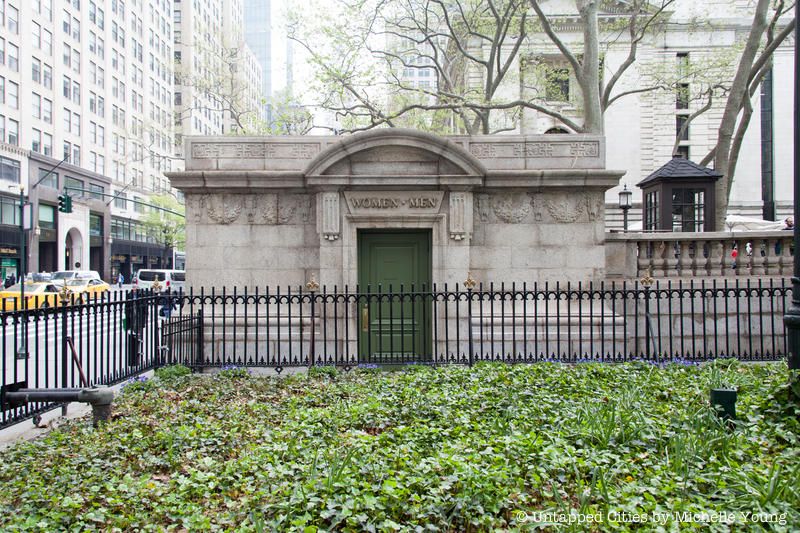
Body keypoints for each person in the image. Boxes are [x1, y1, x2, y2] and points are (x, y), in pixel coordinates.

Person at [124, 286, 149, 366]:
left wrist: (145, 318)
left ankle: (138, 338)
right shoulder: (129, 295)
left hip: (139, 314)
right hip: (132, 313)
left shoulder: (141, 295)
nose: (134, 289)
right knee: (132, 326)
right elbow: (126, 306)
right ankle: (133, 337)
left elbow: (145, 307)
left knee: (138, 327)